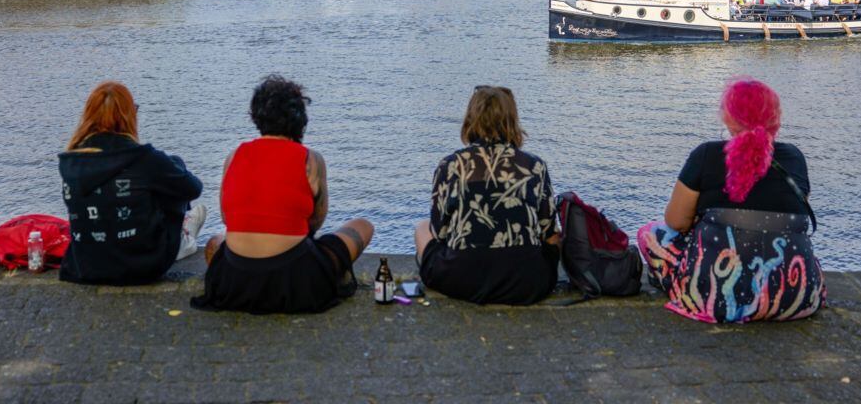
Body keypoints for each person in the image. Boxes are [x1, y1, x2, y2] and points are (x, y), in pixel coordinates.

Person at [636, 79, 825, 323]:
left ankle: (690, 286)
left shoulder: (706, 155)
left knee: (650, 234)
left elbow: (675, 222)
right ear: (775, 117)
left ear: (728, 117)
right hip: (796, 299)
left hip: (716, 300)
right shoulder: (795, 158)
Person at [191, 76, 374, 314]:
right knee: (363, 226)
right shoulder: (311, 160)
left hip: (235, 279)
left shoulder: (234, 155)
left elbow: (228, 219)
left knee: (216, 242)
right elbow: (316, 222)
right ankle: (331, 276)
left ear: (256, 116)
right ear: (300, 118)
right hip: (295, 279)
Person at [415, 86, 560, 305]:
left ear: (470, 119)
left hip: (461, 280)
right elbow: (549, 233)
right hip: (527, 282)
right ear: (512, 120)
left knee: (422, 228)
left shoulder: (450, 166)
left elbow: (439, 232)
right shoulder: (534, 166)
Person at [59, 82, 206, 286]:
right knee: (173, 170)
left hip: (84, 266)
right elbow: (193, 188)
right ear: (129, 116)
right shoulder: (145, 159)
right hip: (140, 267)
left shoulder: (69, 162)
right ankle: (182, 238)